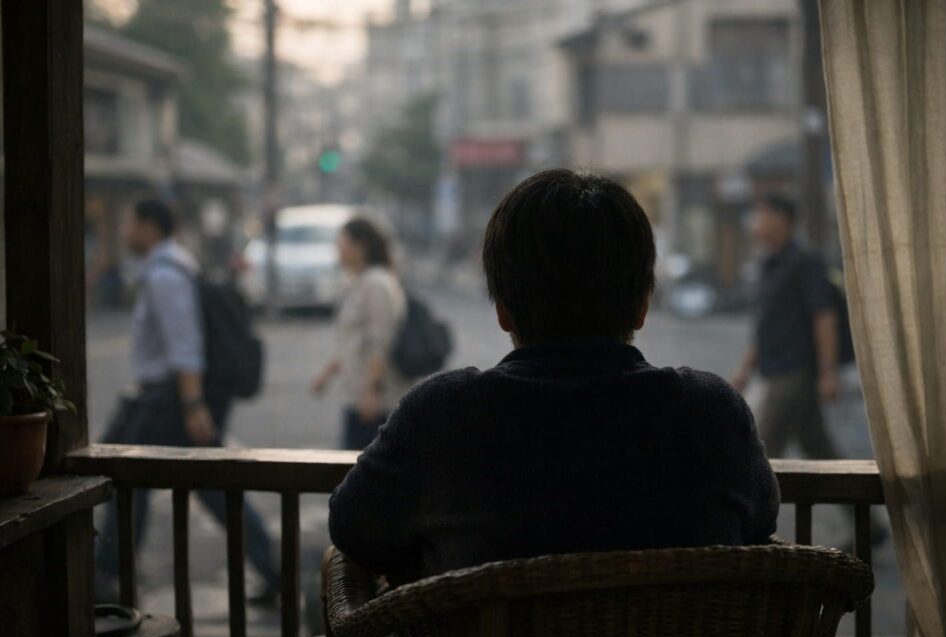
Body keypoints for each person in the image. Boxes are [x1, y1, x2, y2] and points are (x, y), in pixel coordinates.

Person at [328, 169, 779, 587]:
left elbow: (354, 528)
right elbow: (759, 524)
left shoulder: (443, 415)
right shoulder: (712, 414)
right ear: (643, 303)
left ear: (503, 310)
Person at [96, 198, 280, 601]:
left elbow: (186, 345)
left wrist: (194, 405)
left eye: (129, 222)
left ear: (149, 227)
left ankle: (109, 577)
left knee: (128, 476)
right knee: (204, 485)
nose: (125, 231)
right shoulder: (174, 265)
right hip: (171, 398)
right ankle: (275, 571)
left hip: (173, 400)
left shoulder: (166, 275)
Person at [731, 195, 843, 462]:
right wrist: (745, 370)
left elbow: (824, 317)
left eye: (761, 213)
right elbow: (767, 325)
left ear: (781, 220)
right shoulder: (768, 265)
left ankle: (749, 504)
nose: (755, 221)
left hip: (793, 372)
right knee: (818, 448)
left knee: (760, 452)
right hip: (775, 369)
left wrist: (829, 372)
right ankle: (861, 504)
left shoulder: (805, 263)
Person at [311, 217, 412, 450]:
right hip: (357, 396)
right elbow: (351, 340)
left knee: (363, 471)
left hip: (374, 402)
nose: (337, 250)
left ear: (360, 246)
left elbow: (380, 341)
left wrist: (372, 390)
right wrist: (326, 374)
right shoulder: (360, 282)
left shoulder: (377, 283)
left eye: (342, 243)